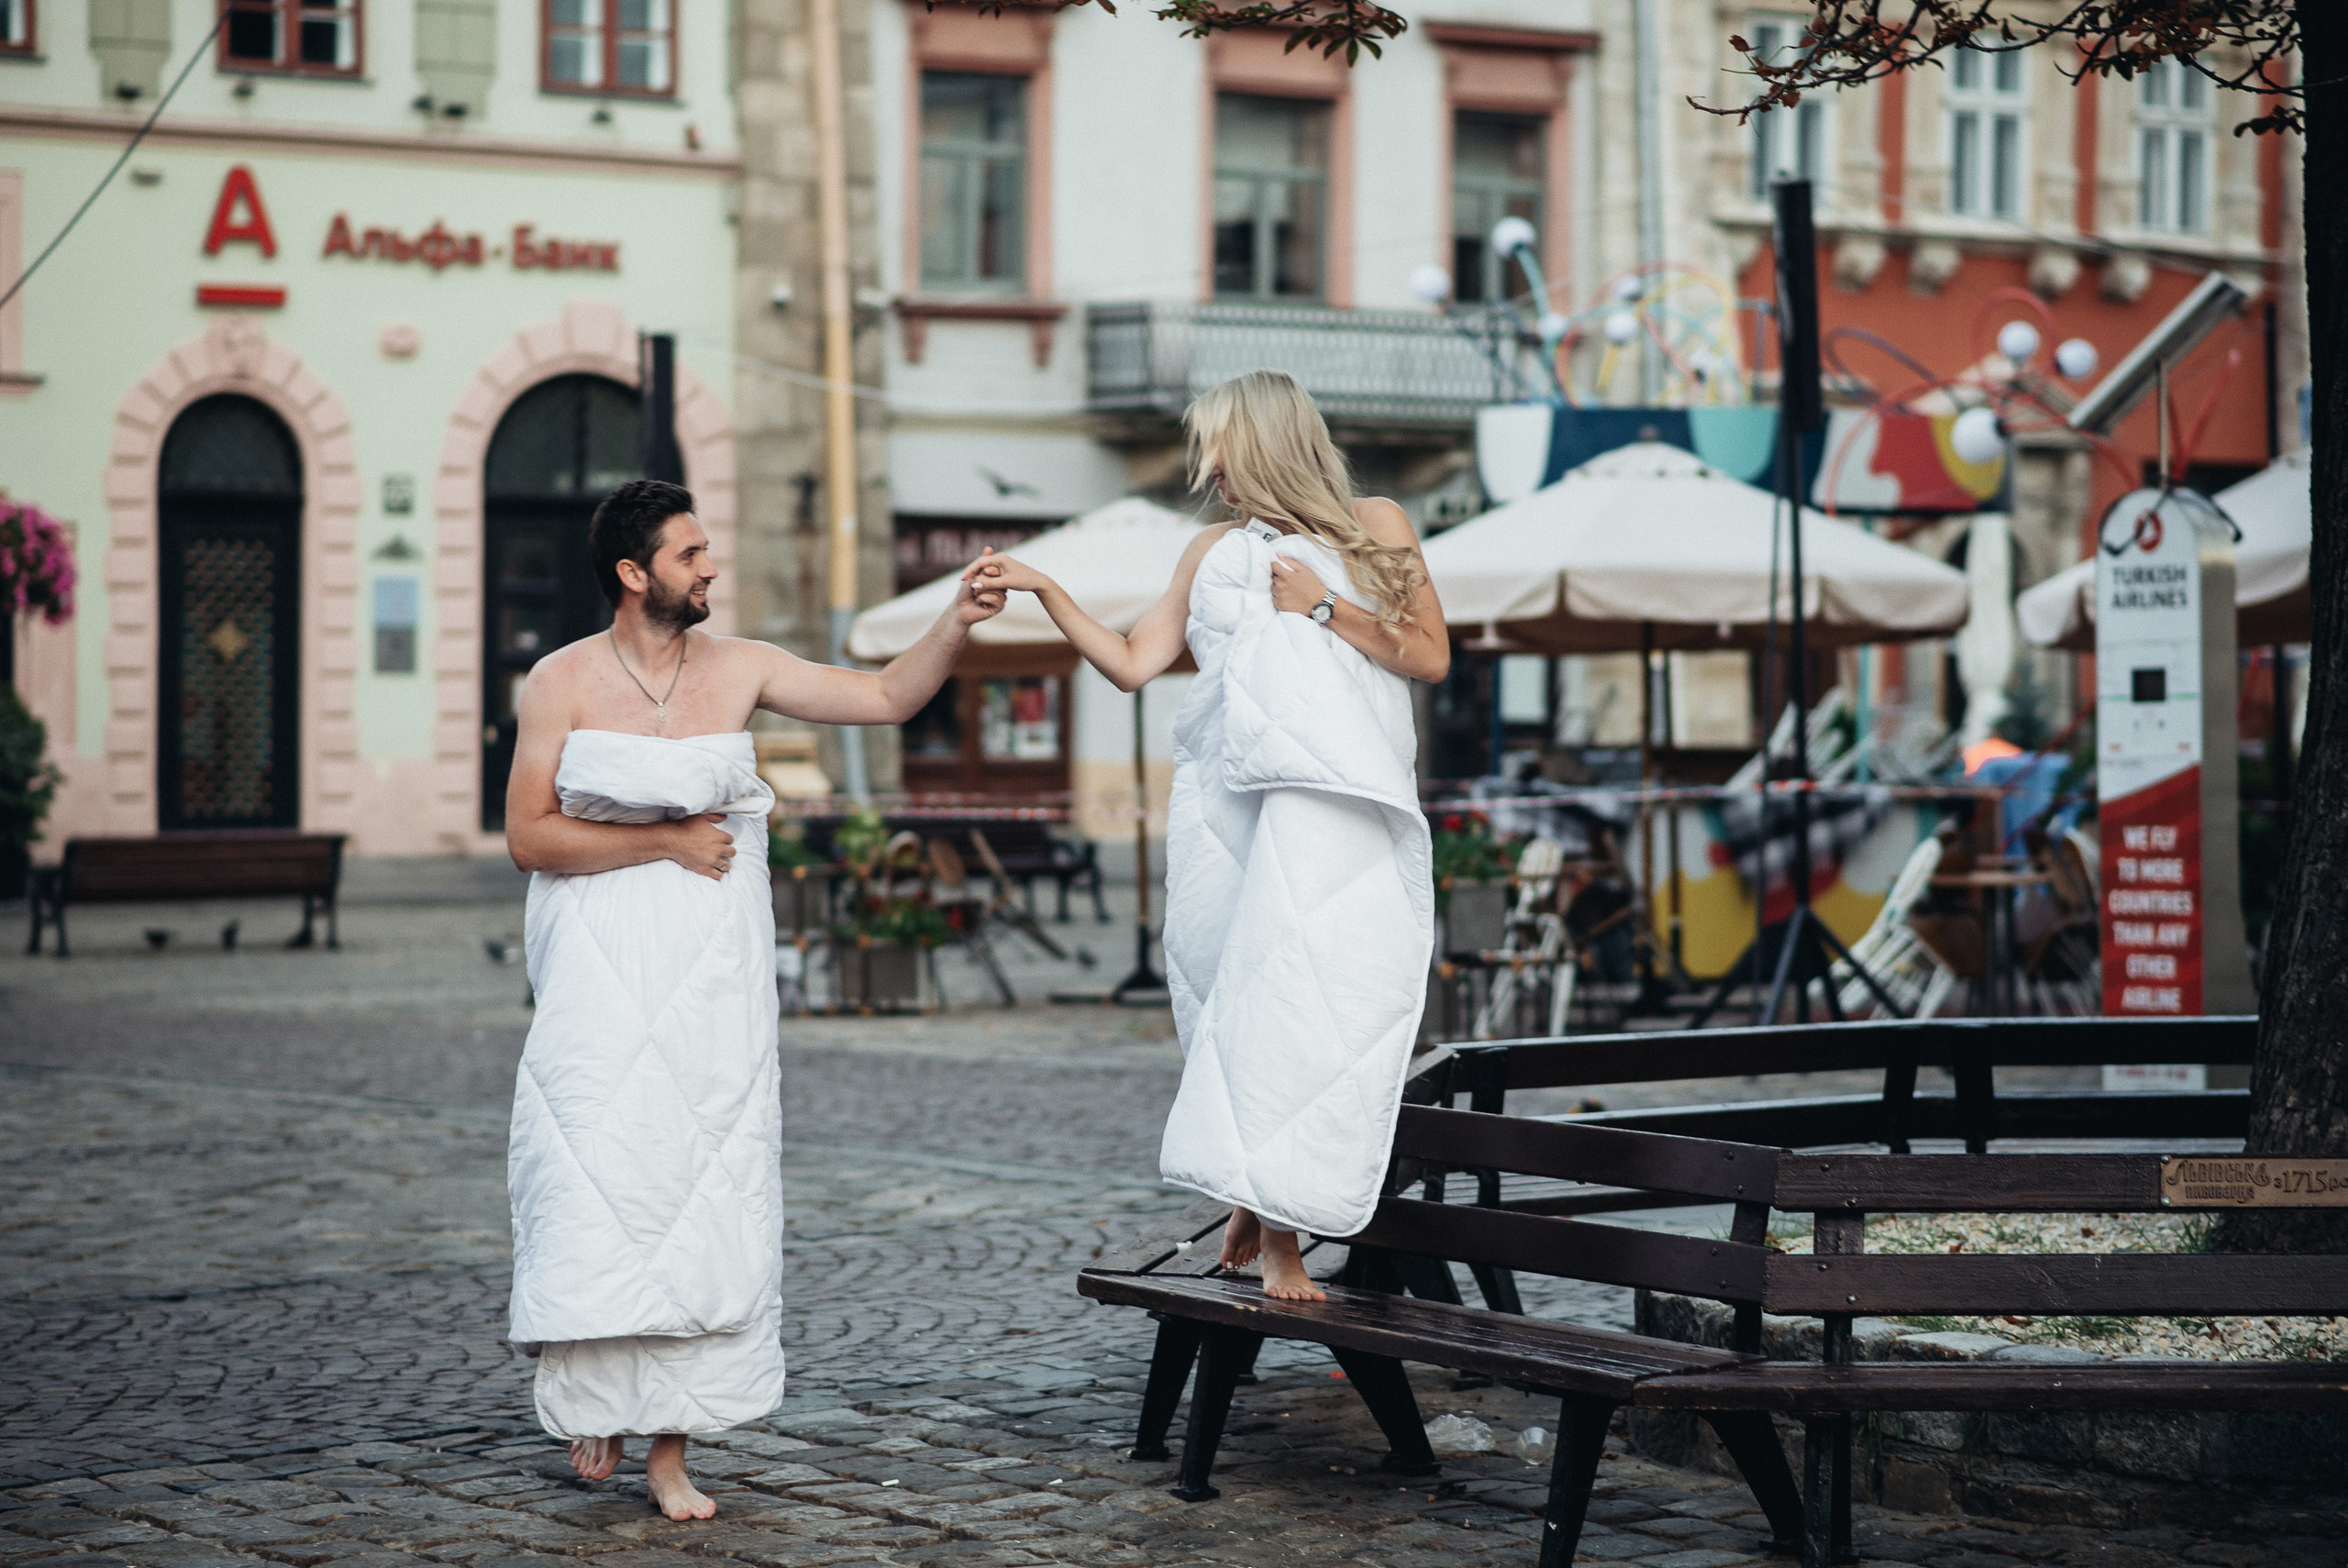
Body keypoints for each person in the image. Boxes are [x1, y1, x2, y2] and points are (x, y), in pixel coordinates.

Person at [503, 479, 1002, 1518]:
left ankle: (672, 1451)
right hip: (598, 966)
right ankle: (596, 1394)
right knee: (597, 1169)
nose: (710, 568)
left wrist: (953, 621)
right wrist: (666, 840)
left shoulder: (742, 668)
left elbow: (882, 698)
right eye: (690, 554)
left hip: (710, 971)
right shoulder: (558, 680)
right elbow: (529, 837)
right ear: (635, 574)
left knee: (702, 1185)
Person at [967, 370, 1446, 1301]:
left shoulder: (1376, 523)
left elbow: (1425, 654)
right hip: (1229, 806)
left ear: (1265, 442)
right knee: (1240, 1005)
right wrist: (1042, 588)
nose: (1210, 468)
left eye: (1219, 446)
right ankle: (1268, 1219)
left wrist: (1317, 602)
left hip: (1330, 800)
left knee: (1312, 1009)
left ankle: (1271, 1222)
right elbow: (1132, 663)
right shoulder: (1209, 553)